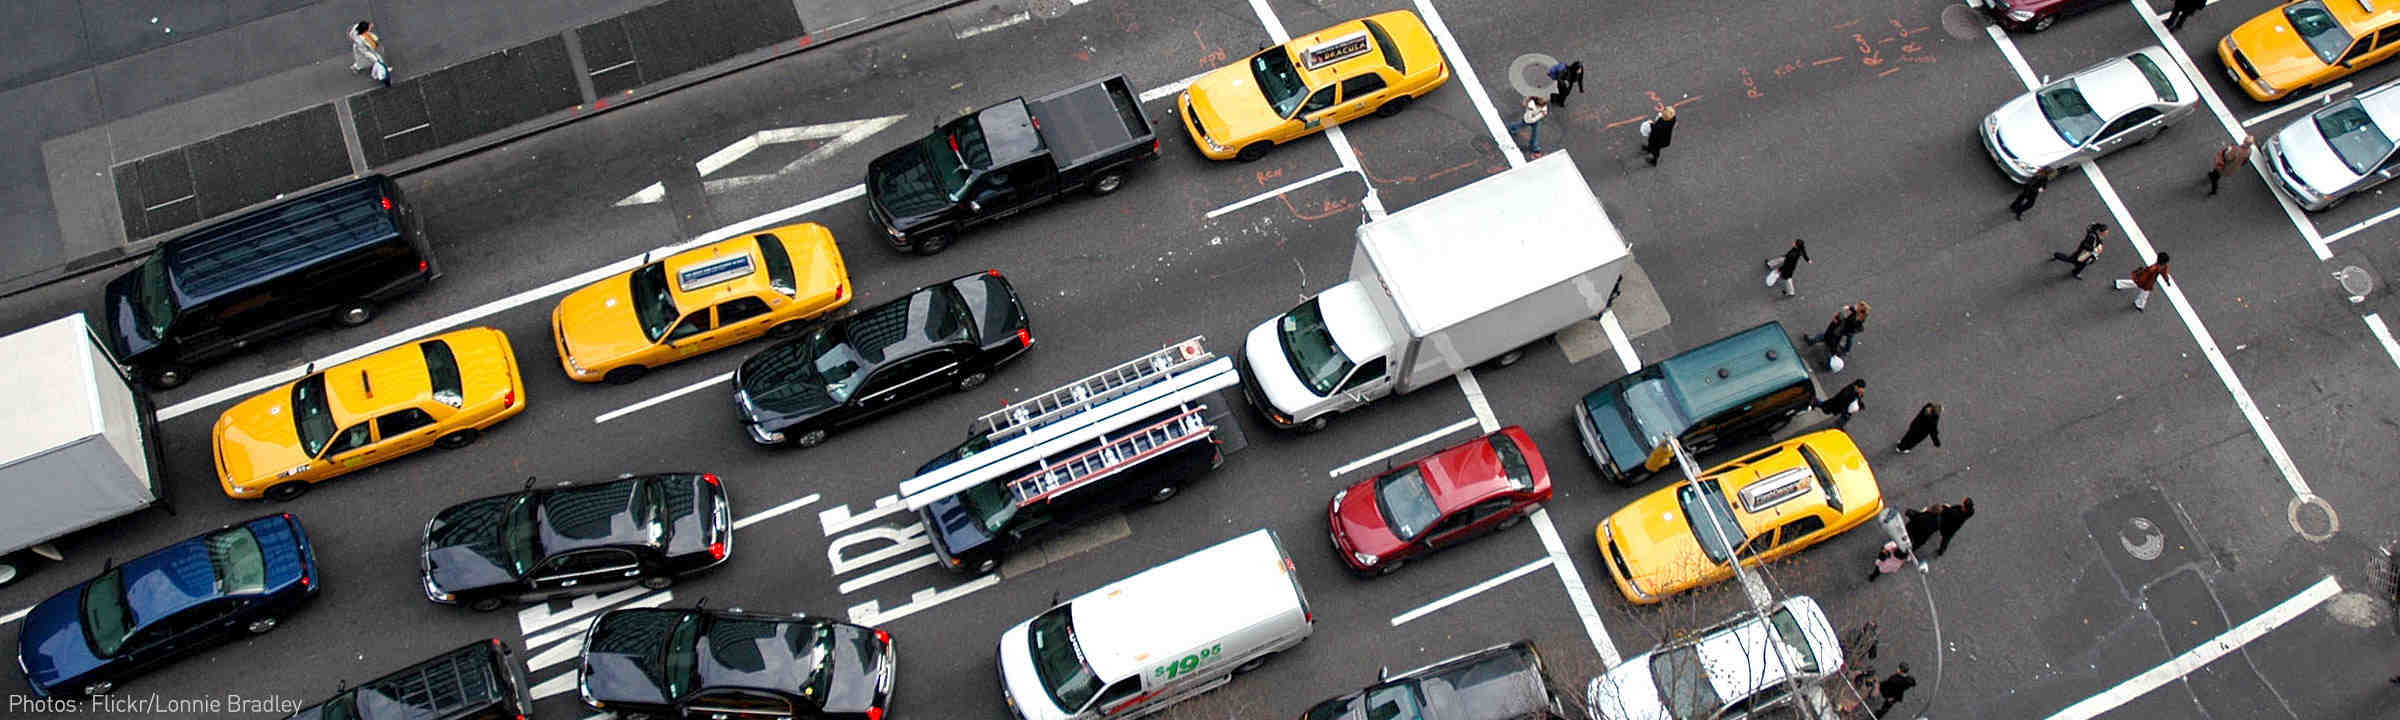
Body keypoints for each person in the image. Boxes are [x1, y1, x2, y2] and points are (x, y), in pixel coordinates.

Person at [349, 21, 389, 87]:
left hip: (366, 49)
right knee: (363, 62)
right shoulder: (360, 41)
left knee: (365, 61)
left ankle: (356, 67)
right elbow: (365, 52)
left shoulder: (356, 28)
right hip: (365, 51)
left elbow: (351, 35)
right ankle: (355, 68)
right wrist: (374, 58)